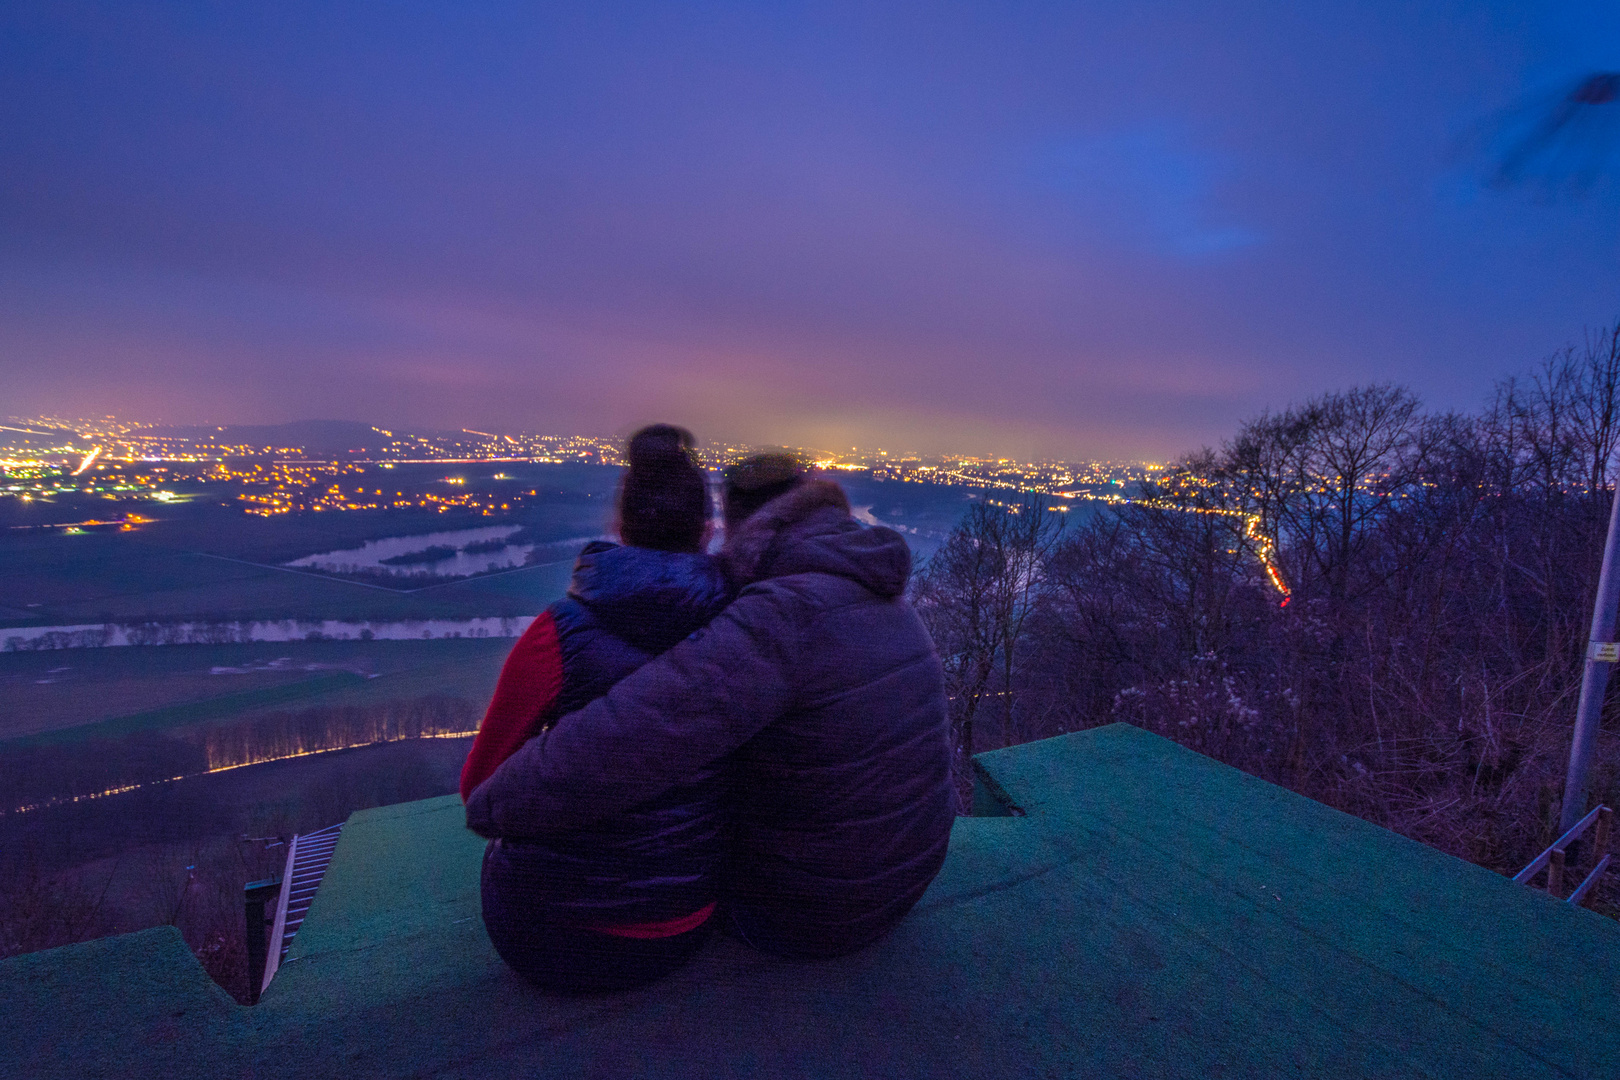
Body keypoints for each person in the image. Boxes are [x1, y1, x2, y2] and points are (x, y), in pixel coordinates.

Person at [466, 453, 953, 960]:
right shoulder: (879, 592)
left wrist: (493, 805)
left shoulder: (781, 617)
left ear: (738, 524)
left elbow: (635, 734)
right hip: (906, 879)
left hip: (812, 913)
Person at [460, 424, 730, 993]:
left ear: (618, 528)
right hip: (688, 921)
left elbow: (479, 785)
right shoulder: (743, 633)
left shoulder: (557, 635)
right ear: (707, 533)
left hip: (552, 936)